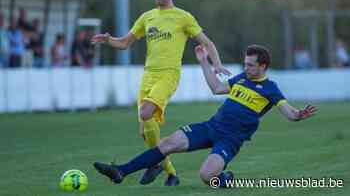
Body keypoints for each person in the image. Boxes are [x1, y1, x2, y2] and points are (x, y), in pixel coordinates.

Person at [93, 45, 317, 187]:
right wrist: (204, 62)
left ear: (263, 66)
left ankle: (225, 180)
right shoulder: (241, 78)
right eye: (245, 64)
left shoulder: (270, 88)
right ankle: (120, 171)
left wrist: (299, 114)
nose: (246, 67)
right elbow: (217, 88)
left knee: (206, 176)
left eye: (250, 65)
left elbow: (289, 113)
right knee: (167, 143)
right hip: (211, 127)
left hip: (230, 139)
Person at [91, 0, 229, 186]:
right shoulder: (147, 17)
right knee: (146, 131)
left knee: (145, 112)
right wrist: (108, 40)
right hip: (148, 76)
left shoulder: (183, 17)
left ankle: (154, 165)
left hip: (168, 75)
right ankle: (169, 172)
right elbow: (125, 43)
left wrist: (217, 63)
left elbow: (207, 42)